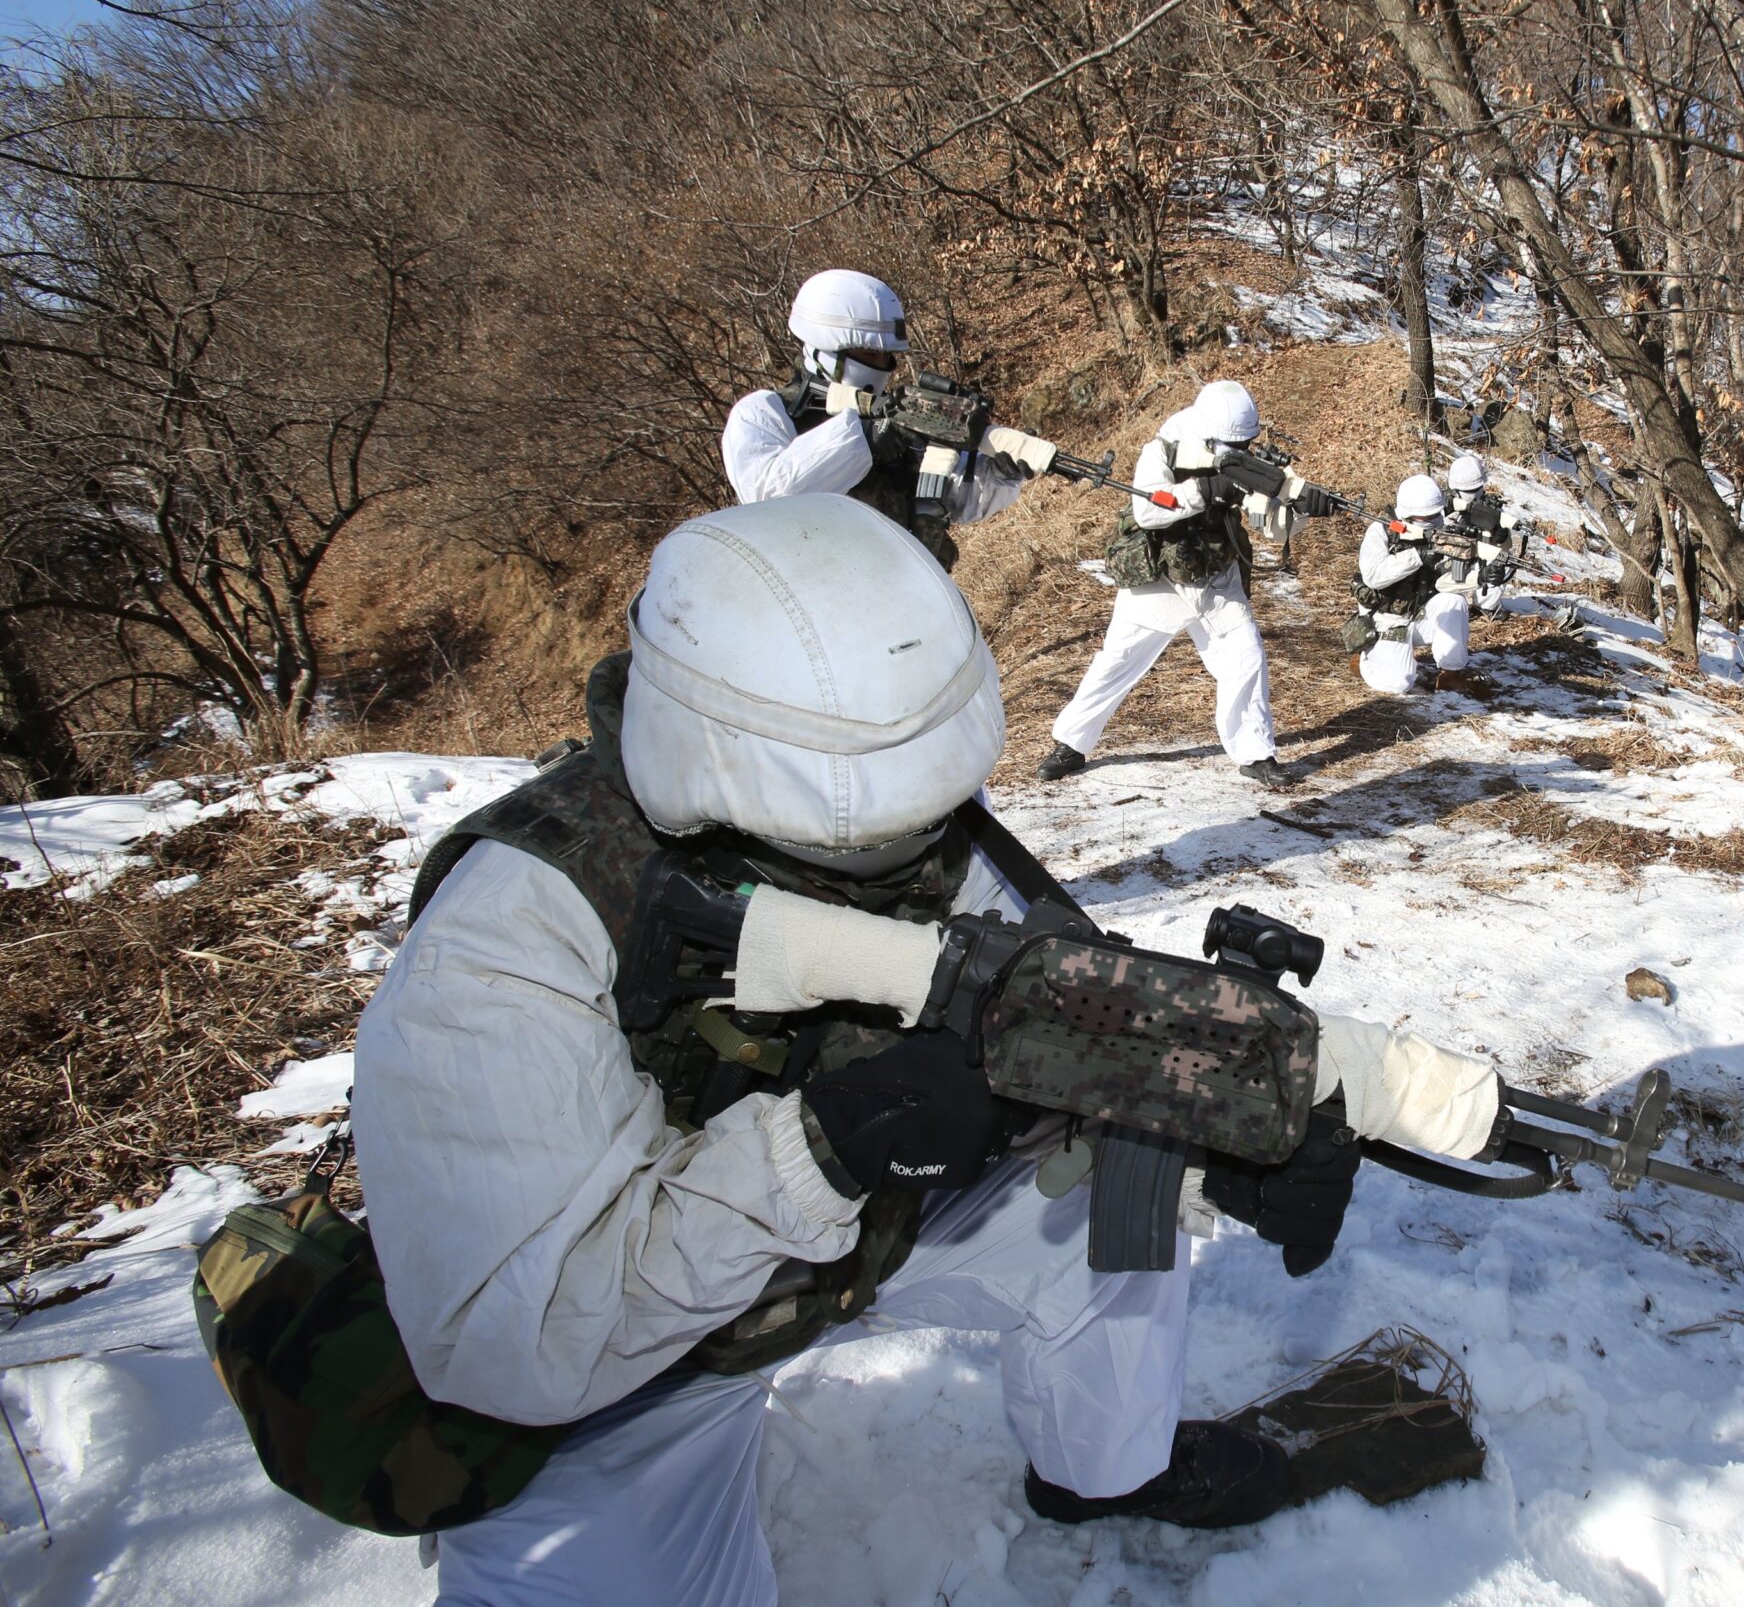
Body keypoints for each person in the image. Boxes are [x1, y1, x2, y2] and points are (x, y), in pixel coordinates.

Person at [351, 496, 1497, 1606]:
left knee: (1111, 1231)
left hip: (849, 1234)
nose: (921, 855)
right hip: (620, 1355)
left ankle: (1104, 1474)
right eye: (881, 836)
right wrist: (832, 1148)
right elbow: (509, 1345)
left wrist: (1204, 1131)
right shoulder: (507, 942)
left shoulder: (896, 824)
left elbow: (1055, 1013)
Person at [1034, 380, 1290, 788]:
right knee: (1117, 661)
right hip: (1159, 579)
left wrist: (1295, 505)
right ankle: (1071, 744)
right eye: (1231, 445)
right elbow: (1148, 510)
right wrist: (1207, 489)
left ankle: (1256, 753)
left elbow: (1274, 527)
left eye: (1244, 445)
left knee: (1246, 657)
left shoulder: (1243, 454)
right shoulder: (1164, 449)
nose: (1239, 453)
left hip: (1215, 578)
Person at [722, 269, 1026, 568]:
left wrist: (1000, 473)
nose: (880, 366)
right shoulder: (763, 413)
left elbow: (958, 498)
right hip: (814, 600)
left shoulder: (894, 416)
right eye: (868, 354)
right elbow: (770, 500)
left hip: (906, 590)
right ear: (825, 348)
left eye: (885, 357)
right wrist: (866, 438)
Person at [1354, 474, 1481, 696]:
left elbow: (1450, 581)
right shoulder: (1382, 531)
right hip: (1386, 621)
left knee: (1454, 602)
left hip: (1420, 614)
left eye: (1434, 515)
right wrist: (1417, 555)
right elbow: (1373, 576)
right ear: (1406, 513)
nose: (1431, 522)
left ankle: (1450, 674)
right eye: (1424, 518)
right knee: (1400, 684)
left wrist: (1482, 576)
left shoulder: (1442, 530)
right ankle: (1364, 658)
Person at [1442, 453, 1530, 614]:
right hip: (1451, 570)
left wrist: (1500, 535)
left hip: (1481, 569)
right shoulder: (1445, 508)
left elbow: (1504, 548)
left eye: (1477, 489)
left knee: (1503, 560)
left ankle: (1484, 605)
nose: (1474, 494)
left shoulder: (1492, 510)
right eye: (1468, 491)